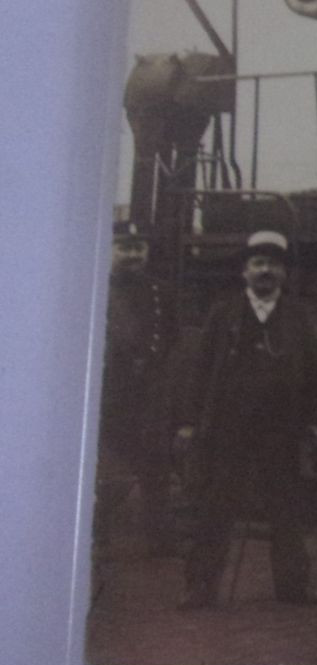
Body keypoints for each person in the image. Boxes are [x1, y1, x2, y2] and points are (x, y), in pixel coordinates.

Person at [178, 230, 317, 609]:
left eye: (274, 264)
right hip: (228, 426)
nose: (266, 271)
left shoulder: (298, 315)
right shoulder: (223, 312)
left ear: (284, 273)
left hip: (281, 428)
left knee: (286, 511)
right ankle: (200, 589)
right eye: (258, 263)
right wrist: (192, 420)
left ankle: (294, 588)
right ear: (244, 271)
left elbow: (314, 375)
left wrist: (311, 421)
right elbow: (199, 369)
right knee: (216, 508)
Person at [95, 221, 180, 559]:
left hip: (149, 394)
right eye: (124, 247)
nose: (133, 254)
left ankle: (161, 540)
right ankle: (96, 537)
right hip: (110, 394)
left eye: (138, 247)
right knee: (106, 471)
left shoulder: (161, 292)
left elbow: (172, 337)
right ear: (110, 250)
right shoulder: (96, 289)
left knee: (156, 467)